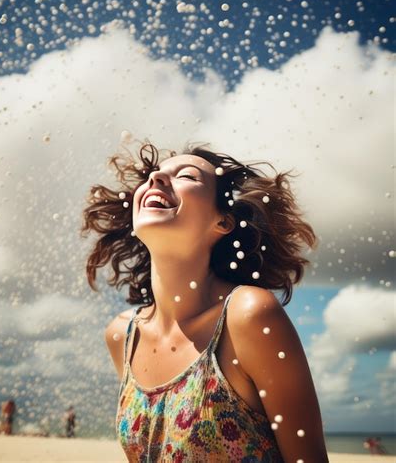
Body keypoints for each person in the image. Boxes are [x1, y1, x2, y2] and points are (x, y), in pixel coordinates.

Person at [81, 141, 329, 462]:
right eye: (153, 175)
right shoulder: (122, 335)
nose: (156, 179)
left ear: (223, 222)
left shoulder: (249, 315)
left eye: (187, 176)